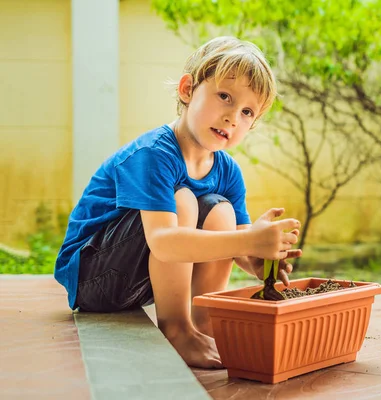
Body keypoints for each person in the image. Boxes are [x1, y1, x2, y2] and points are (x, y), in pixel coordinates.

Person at [54, 36, 302, 368]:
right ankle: (176, 328)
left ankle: (203, 322)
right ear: (187, 90)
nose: (232, 117)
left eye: (247, 112)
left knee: (219, 208)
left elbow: (236, 239)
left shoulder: (228, 171)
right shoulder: (155, 153)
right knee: (183, 199)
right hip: (93, 278)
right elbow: (164, 244)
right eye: (224, 96)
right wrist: (249, 238)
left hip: (139, 280)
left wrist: (256, 257)